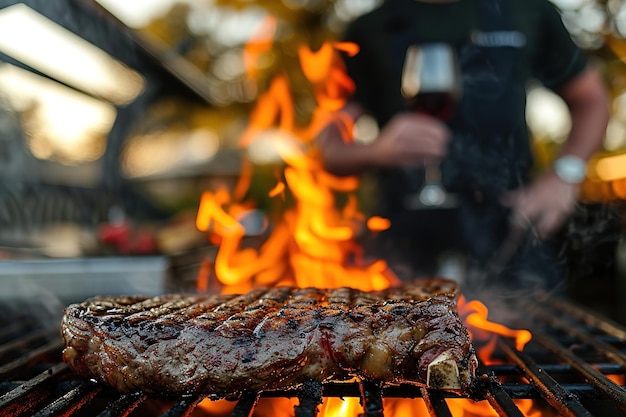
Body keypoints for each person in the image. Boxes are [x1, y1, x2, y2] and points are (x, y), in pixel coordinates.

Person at [317, 0, 610, 296]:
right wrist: (376, 150)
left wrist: (565, 175)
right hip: (401, 249)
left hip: (511, 235)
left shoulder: (528, 9)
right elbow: (327, 149)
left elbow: (591, 100)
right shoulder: (367, 29)